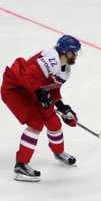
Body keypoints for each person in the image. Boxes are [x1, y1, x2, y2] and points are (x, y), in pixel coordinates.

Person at [1, 35, 81, 182]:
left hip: (33, 90)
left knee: (54, 122)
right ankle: (21, 166)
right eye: (74, 52)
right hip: (15, 88)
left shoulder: (65, 70)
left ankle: (59, 152)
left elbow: (52, 89)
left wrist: (63, 108)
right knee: (36, 123)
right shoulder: (52, 57)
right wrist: (41, 95)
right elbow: (29, 75)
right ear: (67, 52)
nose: (76, 56)